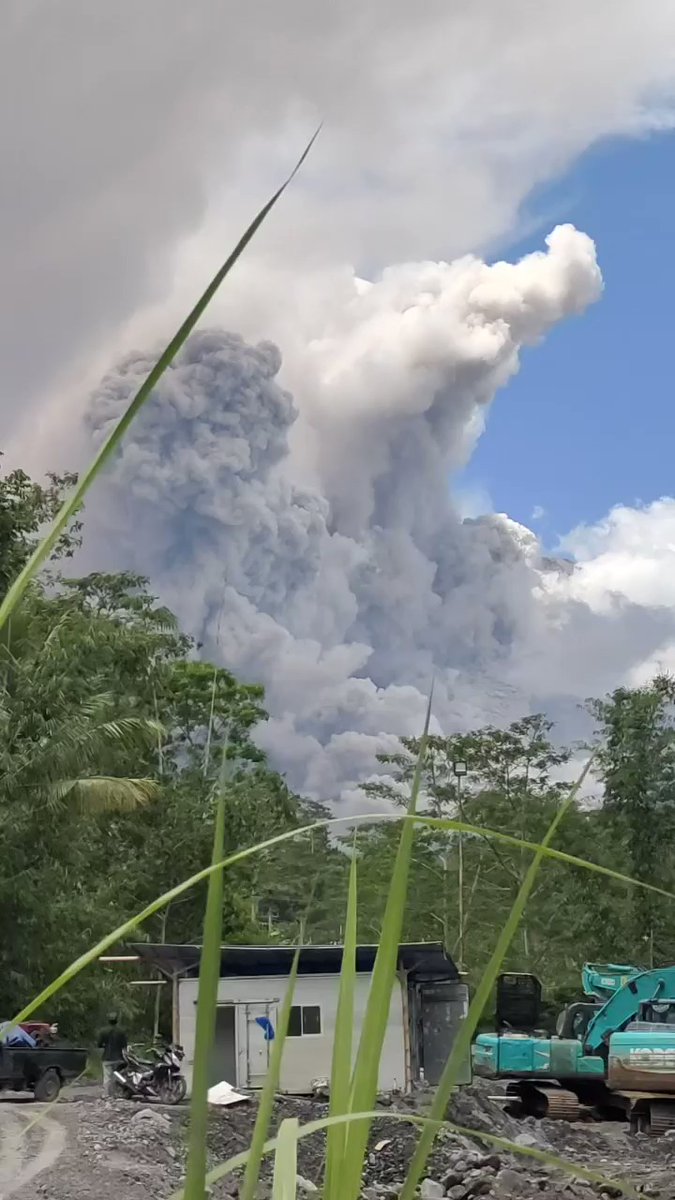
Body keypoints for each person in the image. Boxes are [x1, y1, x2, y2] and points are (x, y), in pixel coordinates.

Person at [97, 1012, 128, 1098]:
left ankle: (106, 1094)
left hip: (107, 1058)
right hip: (119, 1058)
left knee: (107, 1077)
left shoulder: (103, 1031)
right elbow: (124, 1045)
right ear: (117, 1021)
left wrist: (104, 1045)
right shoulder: (121, 1031)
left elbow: (99, 1044)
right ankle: (116, 1094)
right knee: (117, 1077)